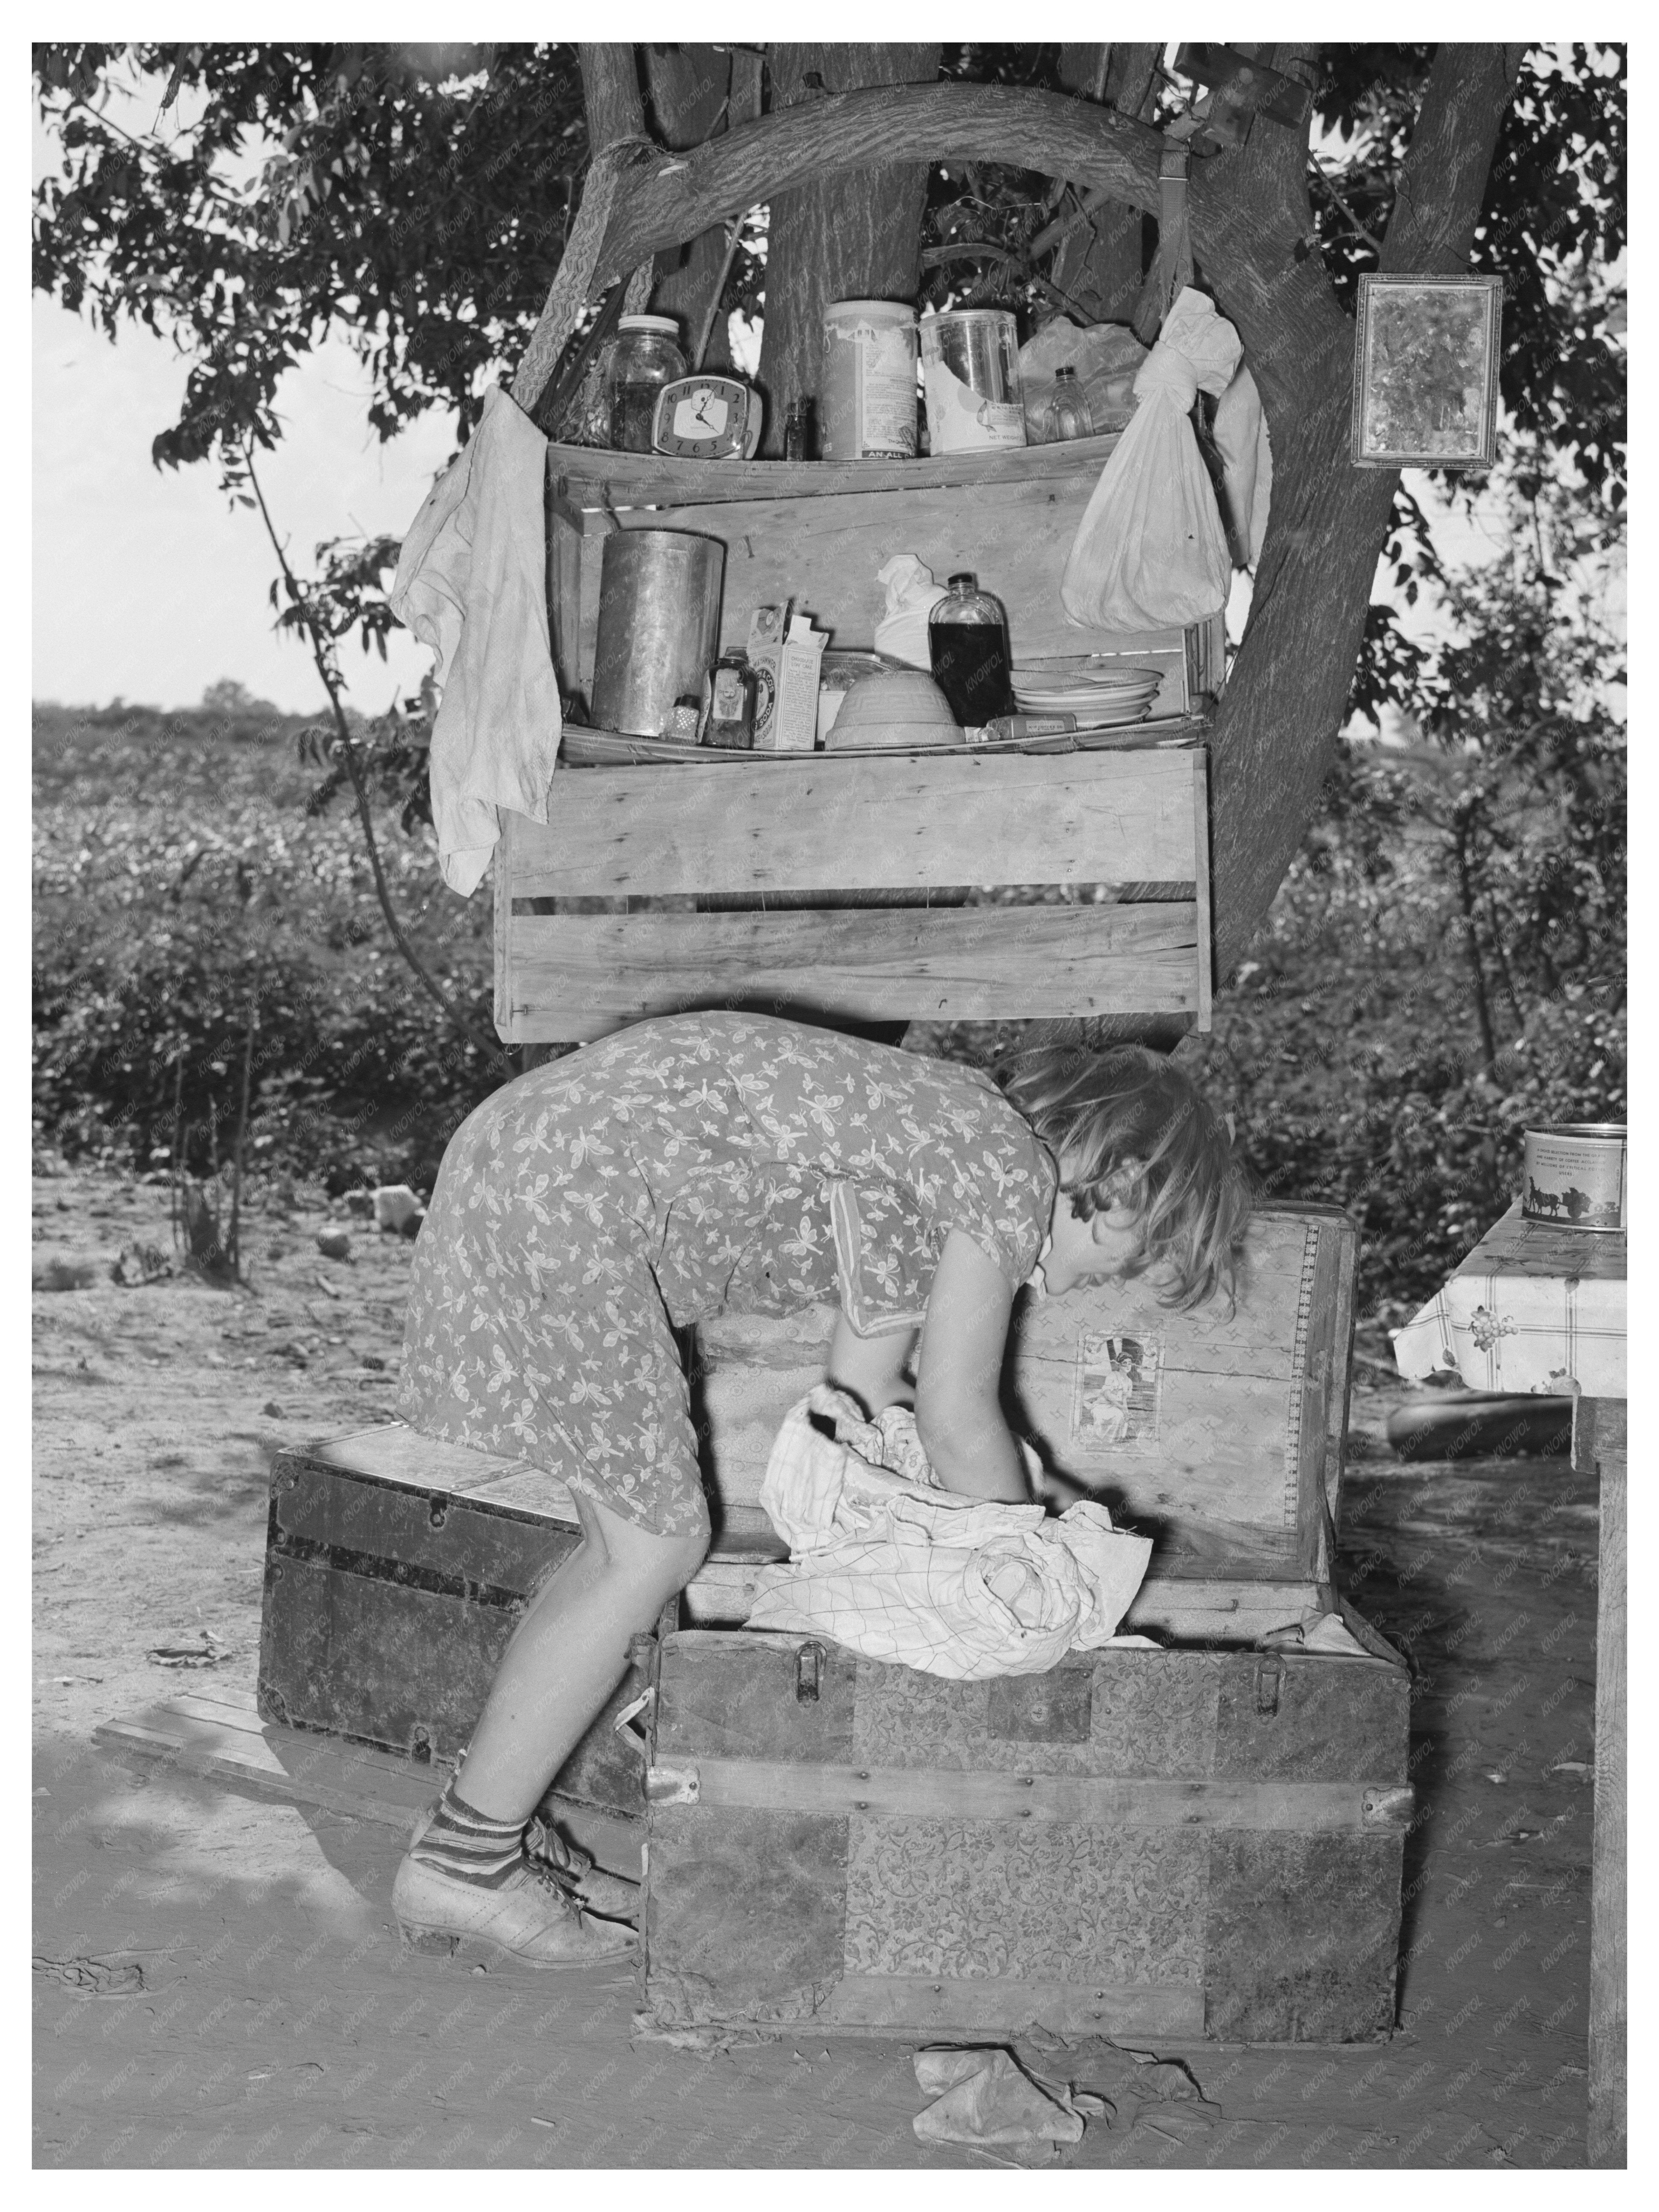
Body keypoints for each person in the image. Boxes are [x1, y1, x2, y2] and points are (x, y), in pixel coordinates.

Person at [390, 1010, 1248, 1966]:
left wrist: (974, 1490)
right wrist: (1023, 1565)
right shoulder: (1007, 1170)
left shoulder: (936, 1146)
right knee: (652, 1548)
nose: (1081, 1288)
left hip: (538, 1159)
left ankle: (479, 1832)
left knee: (621, 1548)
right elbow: (960, 1413)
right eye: (1115, 1265)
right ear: (1120, 1185)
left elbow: (869, 1386)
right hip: (571, 1189)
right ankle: (466, 1858)